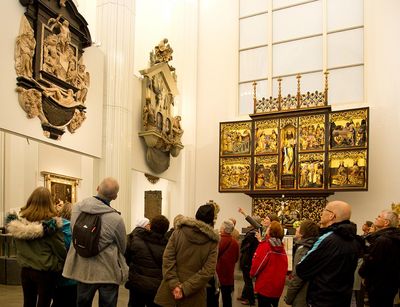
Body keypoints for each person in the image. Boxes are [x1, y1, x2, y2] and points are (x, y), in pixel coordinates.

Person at [62, 177, 129, 307]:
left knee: (82, 303)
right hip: (108, 271)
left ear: (97, 188)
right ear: (115, 196)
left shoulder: (77, 208)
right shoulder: (116, 219)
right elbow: (122, 246)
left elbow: (74, 231)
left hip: (82, 267)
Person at [6, 187, 67, 307]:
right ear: (49, 202)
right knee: (44, 303)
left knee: (28, 302)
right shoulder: (51, 226)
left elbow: (16, 246)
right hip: (45, 272)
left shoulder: (19, 223)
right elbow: (60, 250)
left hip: (26, 270)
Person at [296, 201, 362, 307]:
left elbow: (302, 269)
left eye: (324, 210)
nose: (321, 213)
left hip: (322, 298)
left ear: (332, 216)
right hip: (342, 298)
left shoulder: (327, 238)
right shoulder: (353, 239)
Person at [154, 203, 219, 307]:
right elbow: (208, 271)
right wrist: (184, 288)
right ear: (212, 221)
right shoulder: (212, 242)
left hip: (170, 292)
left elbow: (167, 259)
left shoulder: (178, 232)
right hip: (194, 294)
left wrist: (175, 285)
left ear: (196, 217)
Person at [125, 215, 170, 307]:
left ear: (150, 226)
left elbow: (127, 258)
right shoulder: (168, 246)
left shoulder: (136, 239)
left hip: (137, 284)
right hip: (157, 286)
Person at [359, 210, 400, 307]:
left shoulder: (382, 240)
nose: (376, 218)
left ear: (386, 222)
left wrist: (363, 273)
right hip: (391, 282)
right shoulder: (394, 237)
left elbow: (372, 261)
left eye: (379, 217)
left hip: (378, 283)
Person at [250, 221, 288, 307]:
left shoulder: (266, 245)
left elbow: (258, 263)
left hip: (265, 285)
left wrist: (252, 274)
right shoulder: (281, 247)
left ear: (270, 231)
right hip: (277, 287)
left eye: (268, 228)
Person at [284, 220, 319, 307]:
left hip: (302, 295)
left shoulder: (303, 249)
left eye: (299, 227)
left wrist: (289, 297)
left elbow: (298, 277)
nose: (296, 228)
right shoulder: (314, 245)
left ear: (303, 233)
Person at [52, 202, 77, 307]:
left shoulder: (54, 226)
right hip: (71, 275)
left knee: (57, 301)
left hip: (54, 272)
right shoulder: (73, 229)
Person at [237, 216, 262, 306]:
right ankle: (244, 295)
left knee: (247, 280)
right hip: (250, 257)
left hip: (248, 258)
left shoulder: (252, 234)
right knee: (247, 278)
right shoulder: (257, 232)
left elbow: (245, 246)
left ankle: (250, 300)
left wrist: (241, 248)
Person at [216, 220, 239, 307]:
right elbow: (236, 259)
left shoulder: (218, 240)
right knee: (227, 298)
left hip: (217, 273)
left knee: (214, 298)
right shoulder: (235, 243)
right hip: (228, 274)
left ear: (223, 229)